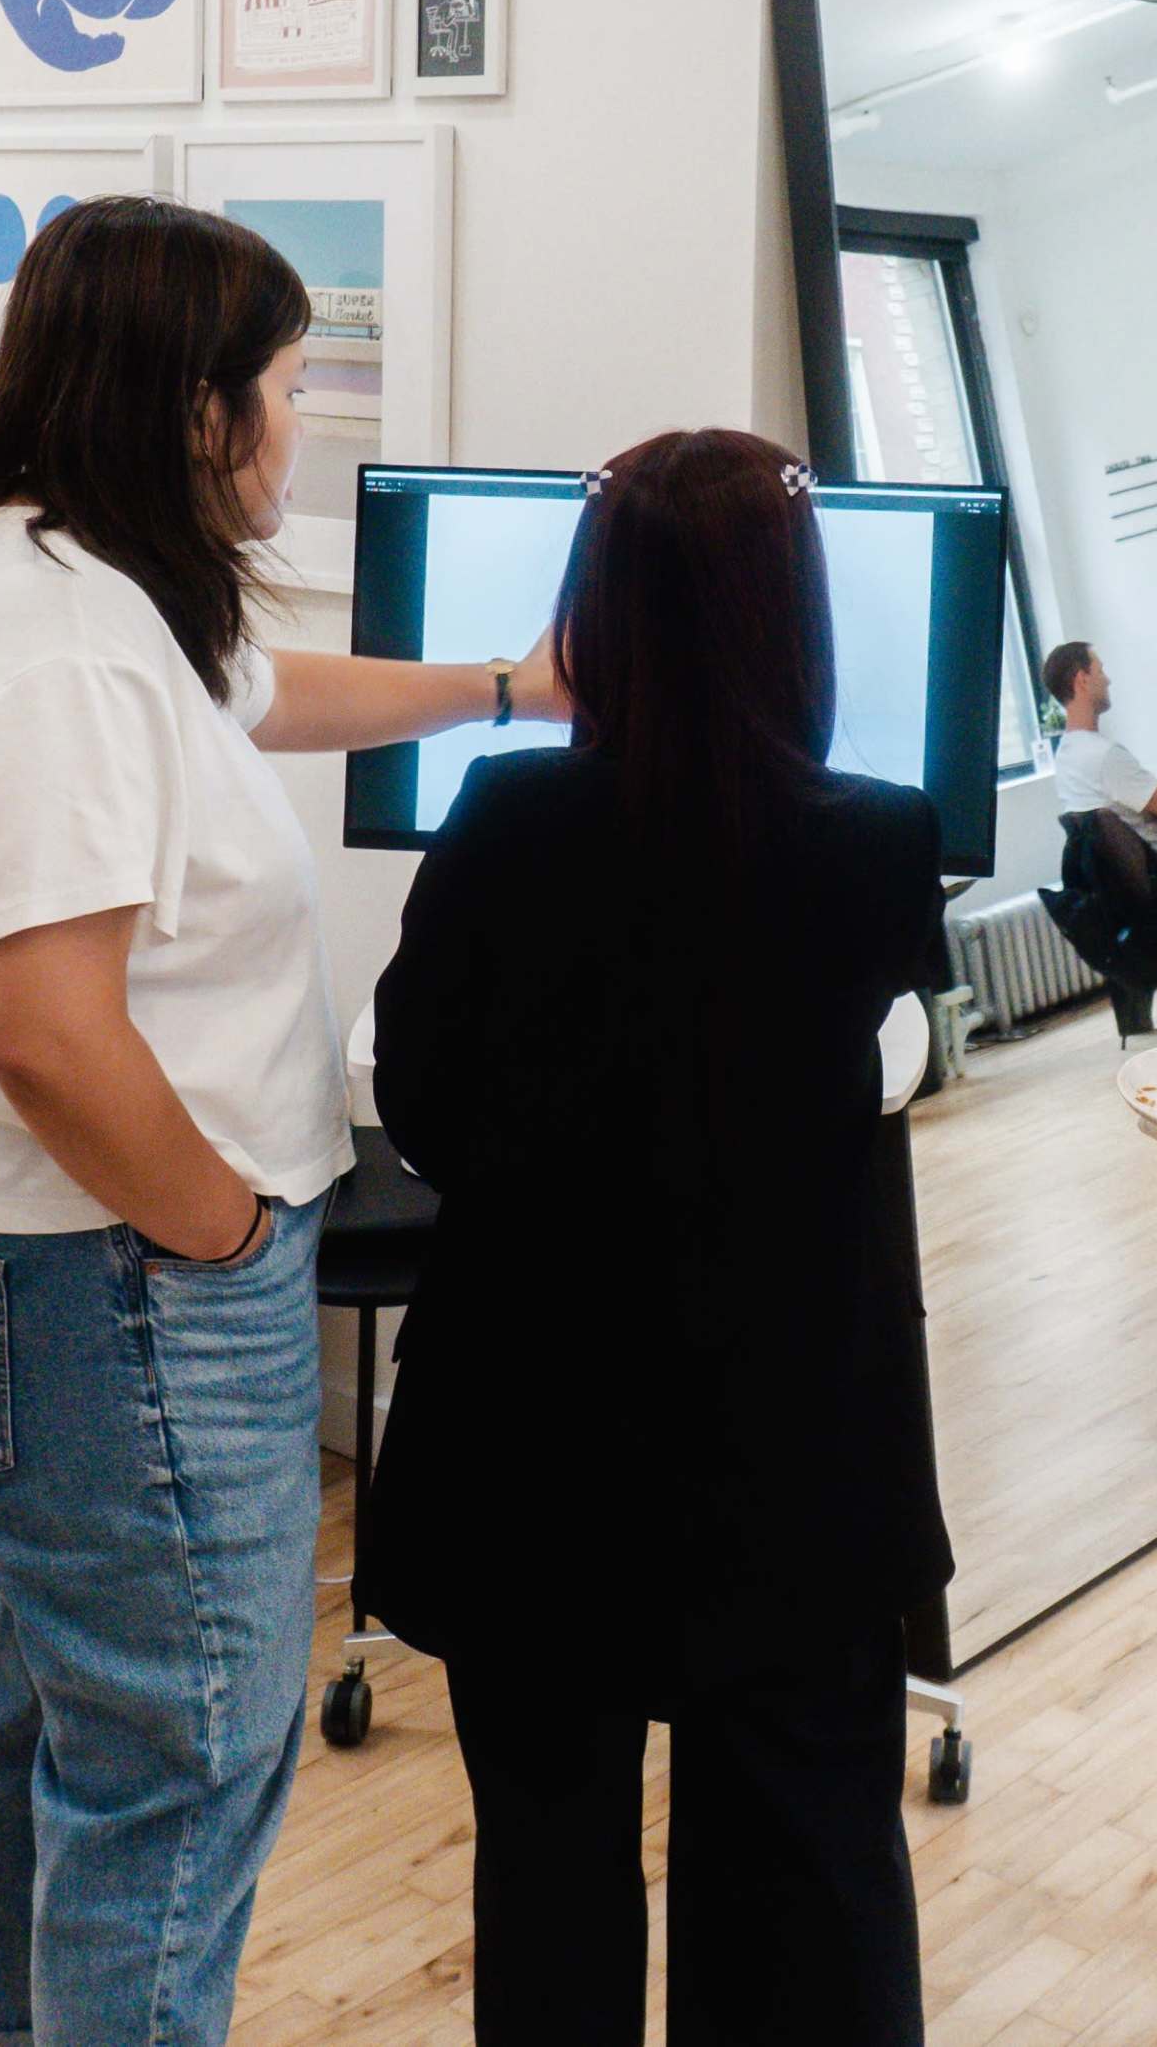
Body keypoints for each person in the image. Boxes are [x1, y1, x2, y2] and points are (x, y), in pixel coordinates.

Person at [0, 194, 564, 2047]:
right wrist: (228, 1235)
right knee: (184, 1768)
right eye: (285, 389)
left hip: (18, 1274)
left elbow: (266, 695)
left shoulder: (61, 578)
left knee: (38, 1723)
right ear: (193, 408)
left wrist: (507, 687)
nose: (296, 427)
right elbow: (52, 1039)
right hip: (113, 1290)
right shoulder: (58, 656)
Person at [364, 429, 951, 2047]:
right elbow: (873, 1085)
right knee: (802, 1897)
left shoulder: (502, 818)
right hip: (795, 1468)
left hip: (532, 1448)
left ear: (594, 612)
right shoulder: (881, 847)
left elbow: (418, 1097)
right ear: (796, 619)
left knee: (548, 1882)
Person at [1043, 637, 1157, 878]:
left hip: (1143, 872)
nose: (1107, 680)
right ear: (1083, 680)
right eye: (1100, 671)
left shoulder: (1066, 757)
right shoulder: (1103, 756)